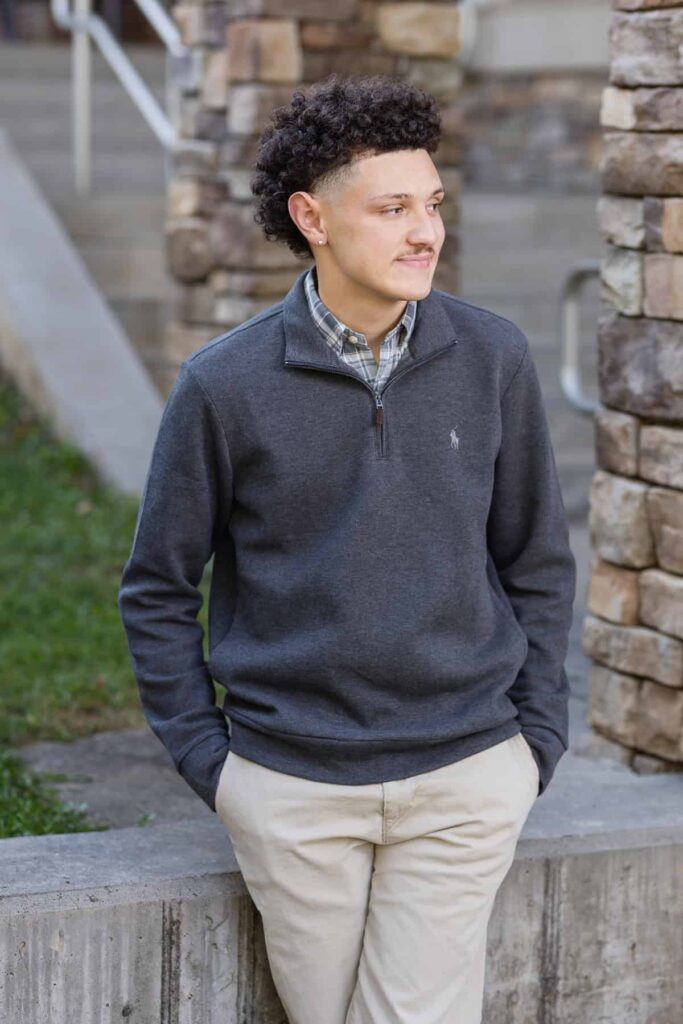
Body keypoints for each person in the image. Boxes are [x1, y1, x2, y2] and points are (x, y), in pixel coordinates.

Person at [118, 73, 577, 1024]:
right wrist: (216, 766)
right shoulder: (224, 384)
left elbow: (534, 560)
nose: (426, 232)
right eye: (393, 207)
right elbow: (157, 588)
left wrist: (534, 741)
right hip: (291, 788)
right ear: (311, 218)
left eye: (433, 205)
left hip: (465, 775)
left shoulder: (493, 358)